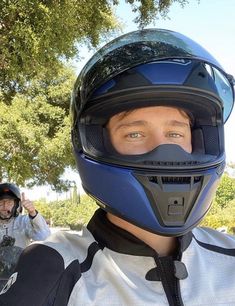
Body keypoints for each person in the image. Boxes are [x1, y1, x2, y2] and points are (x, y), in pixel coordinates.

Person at [0, 28, 235, 305]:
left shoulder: (228, 256)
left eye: (175, 134)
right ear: (97, 142)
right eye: (135, 134)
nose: (164, 152)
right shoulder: (54, 270)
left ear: (200, 140)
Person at [0, 183, 51, 248]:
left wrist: (33, 213)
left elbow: (44, 237)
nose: (5, 206)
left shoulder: (23, 222)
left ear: (17, 205)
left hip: (21, 258)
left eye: (9, 202)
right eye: (1, 202)